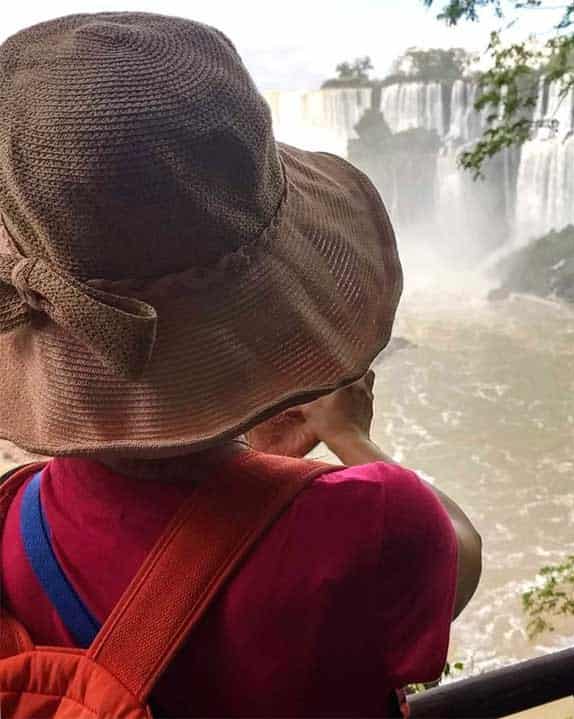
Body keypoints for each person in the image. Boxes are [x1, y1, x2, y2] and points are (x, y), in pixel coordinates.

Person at [0, 11, 481, 718]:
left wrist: (252, 460)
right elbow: (458, 554)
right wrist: (350, 436)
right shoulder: (371, 524)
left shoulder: (14, 517)